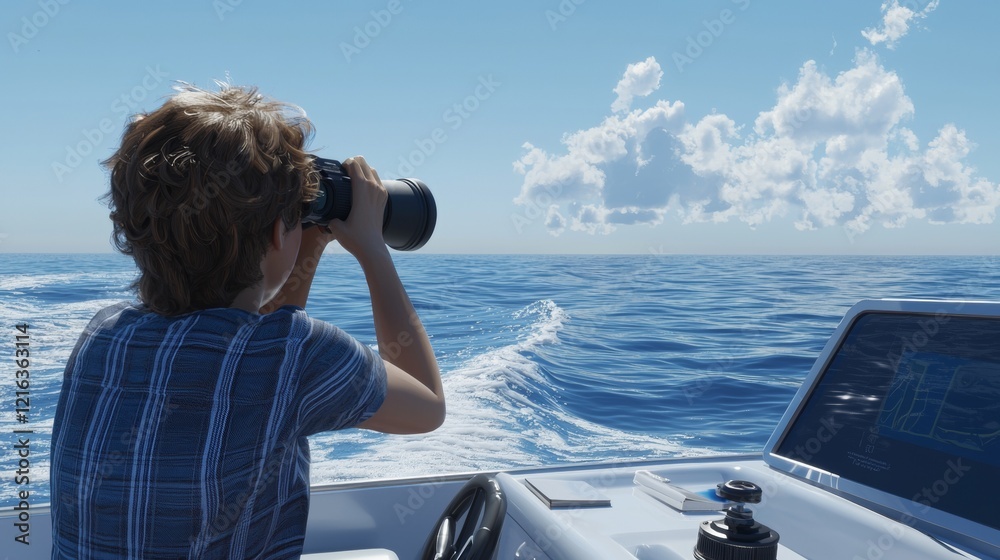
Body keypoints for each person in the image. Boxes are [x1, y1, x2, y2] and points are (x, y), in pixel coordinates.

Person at [49, 84, 445, 559]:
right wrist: (373, 252)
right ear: (280, 233)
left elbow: (253, 344)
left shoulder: (102, 333)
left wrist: (308, 245)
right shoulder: (294, 353)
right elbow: (427, 406)